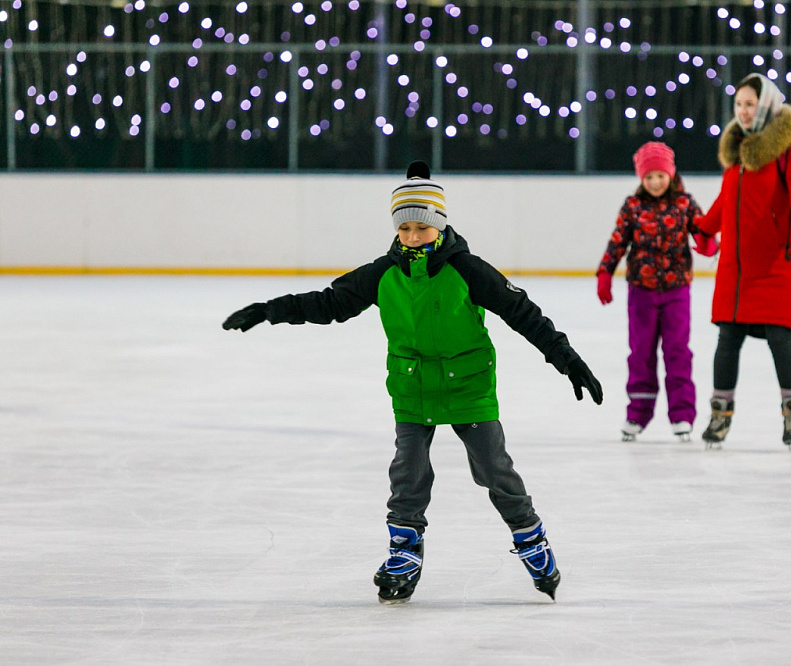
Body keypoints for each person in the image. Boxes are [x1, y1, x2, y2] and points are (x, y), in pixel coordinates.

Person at [222, 161, 603, 604]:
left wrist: (566, 358)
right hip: (412, 386)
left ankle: (531, 539)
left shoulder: (468, 269)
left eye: (422, 228)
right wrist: (269, 309)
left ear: (439, 226)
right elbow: (329, 304)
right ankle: (404, 553)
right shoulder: (383, 272)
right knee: (408, 474)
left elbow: (523, 314)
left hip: (468, 386)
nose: (413, 237)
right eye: (405, 229)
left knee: (494, 469)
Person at [693, 73, 791, 450]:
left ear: (766, 105)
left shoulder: (788, 153)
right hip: (735, 271)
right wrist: (705, 227)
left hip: (775, 267)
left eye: (750, 104)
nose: (743, 111)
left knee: (780, 340)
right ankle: (720, 416)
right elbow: (727, 202)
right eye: (739, 105)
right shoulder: (737, 154)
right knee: (726, 340)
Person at [596, 141, 715, 443]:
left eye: (660, 175)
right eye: (648, 177)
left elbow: (703, 232)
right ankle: (637, 413)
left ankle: (682, 415)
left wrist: (708, 244)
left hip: (677, 291)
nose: (655, 182)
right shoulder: (633, 206)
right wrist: (605, 274)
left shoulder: (686, 204)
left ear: (671, 174)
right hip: (642, 293)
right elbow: (617, 242)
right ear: (641, 179)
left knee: (678, 353)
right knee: (641, 354)